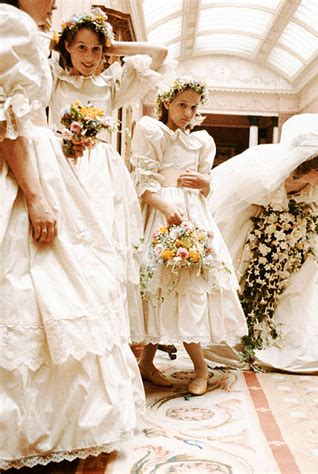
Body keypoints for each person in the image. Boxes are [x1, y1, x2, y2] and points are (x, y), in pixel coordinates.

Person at [0, 1, 144, 469]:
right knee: (45, 294)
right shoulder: (13, 25)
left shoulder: (27, 31)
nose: (56, 2)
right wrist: (36, 196)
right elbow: (9, 125)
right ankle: (47, 429)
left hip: (50, 166)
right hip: (28, 173)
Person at [204, 114, 318, 374]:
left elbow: (315, 195)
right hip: (260, 224)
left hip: (304, 227)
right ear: (302, 167)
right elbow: (246, 199)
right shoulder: (266, 179)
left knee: (315, 276)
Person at [48, 8, 168, 332]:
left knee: (100, 245)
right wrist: (62, 42)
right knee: (65, 244)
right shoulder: (53, 78)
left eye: (96, 49)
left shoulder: (110, 84)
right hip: (61, 162)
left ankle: (99, 326)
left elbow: (159, 54)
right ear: (67, 48)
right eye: (81, 47)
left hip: (101, 172)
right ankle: (66, 320)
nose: (89, 56)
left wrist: (111, 45)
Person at [130, 77, 248, 396]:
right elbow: (142, 185)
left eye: (194, 107)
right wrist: (166, 207)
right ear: (168, 103)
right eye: (182, 104)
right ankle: (147, 363)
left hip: (193, 215)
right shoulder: (152, 133)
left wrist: (203, 184)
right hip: (163, 213)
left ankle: (200, 369)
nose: (188, 112)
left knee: (190, 285)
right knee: (160, 286)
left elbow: (207, 187)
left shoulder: (201, 141)